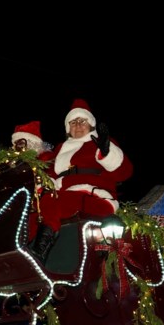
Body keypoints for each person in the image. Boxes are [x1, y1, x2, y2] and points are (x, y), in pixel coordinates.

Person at [32, 99, 133, 260]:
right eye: (73, 122)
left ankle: (39, 252)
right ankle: (18, 256)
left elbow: (125, 172)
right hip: (64, 196)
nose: (78, 125)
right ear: (68, 128)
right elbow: (48, 175)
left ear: (91, 124)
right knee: (31, 213)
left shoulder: (100, 143)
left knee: (51, 201)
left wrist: (106, 152)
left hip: (96, 198)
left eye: (82, 121)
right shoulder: (60, 149)